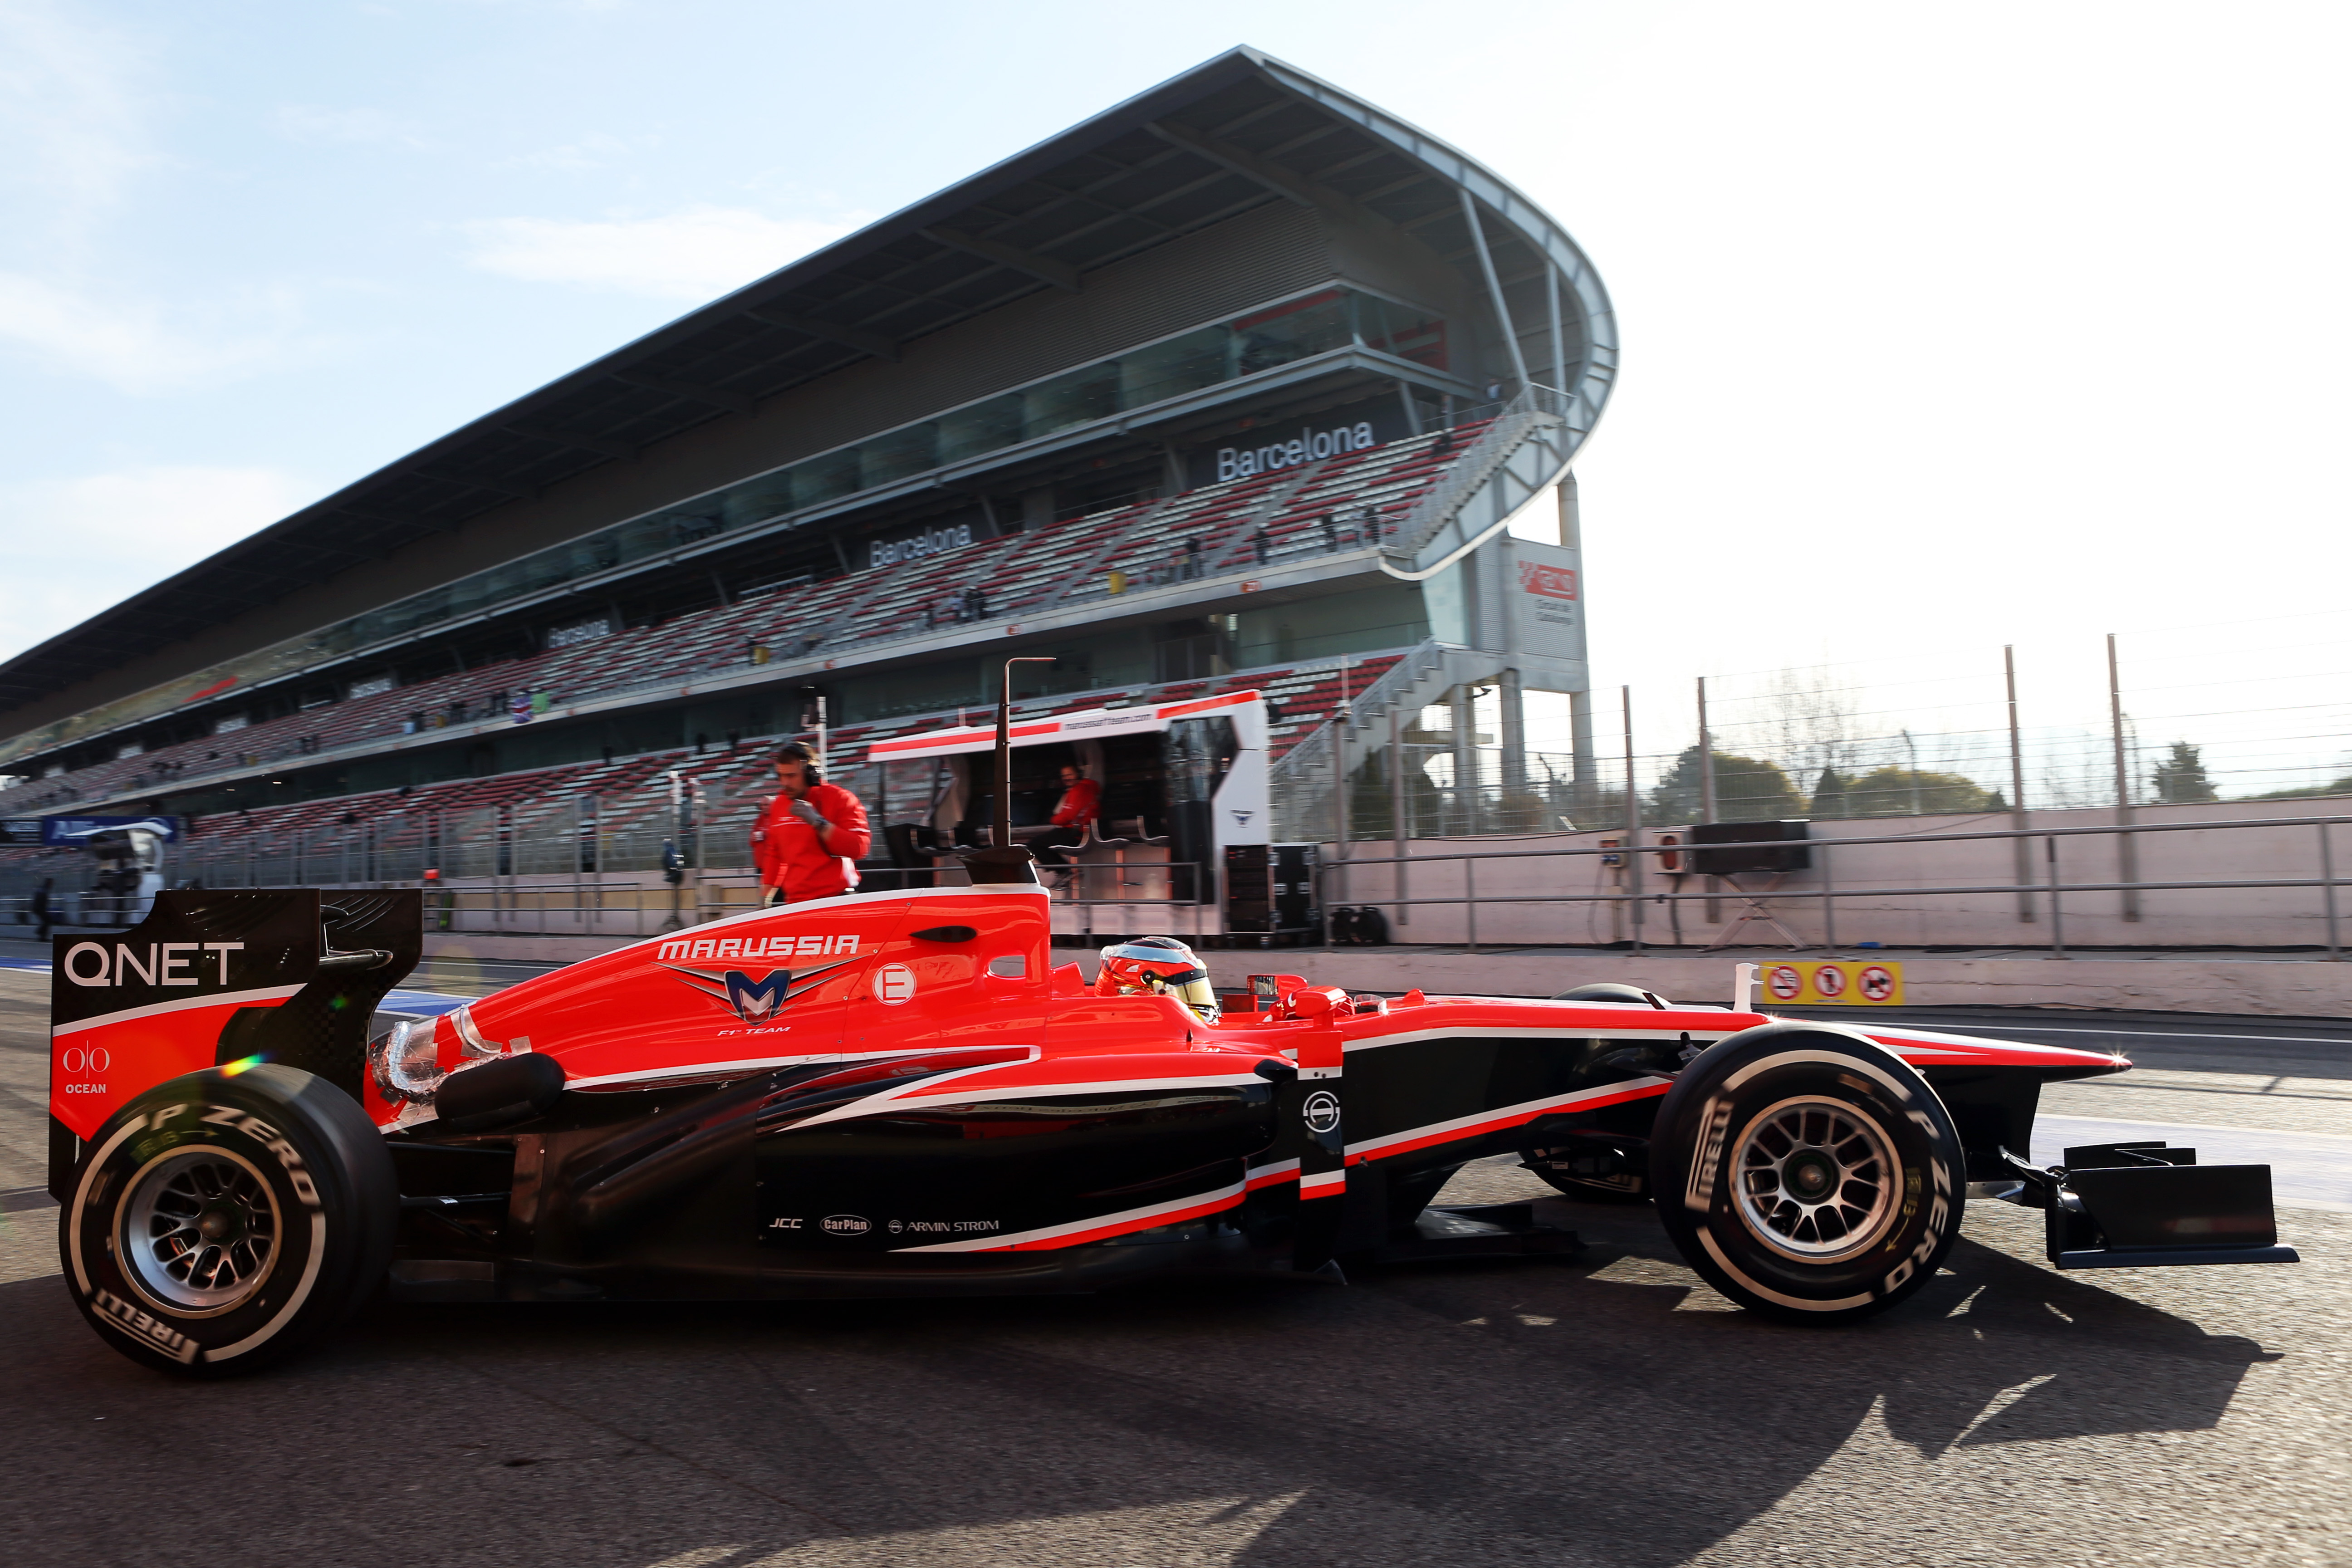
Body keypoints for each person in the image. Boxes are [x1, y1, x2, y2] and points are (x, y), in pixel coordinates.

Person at [751, 742, 871, 905]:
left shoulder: (841, 798)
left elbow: (858, 849)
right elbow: (774, 853)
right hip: (794, 903)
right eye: (781, 776)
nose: (785, 783)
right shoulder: (780, 804)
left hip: (837, 900)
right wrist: (765, 897)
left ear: (810, 774)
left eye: (791, 776)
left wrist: (818, 822)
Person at [1030, 763, 1100, 877]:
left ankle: (1064, 872)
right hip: (1081, 832)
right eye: (1064, 776)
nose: (1067, 778)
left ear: (1078, 774)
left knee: (1035, 844)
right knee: (1040, 842)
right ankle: (1064, 871)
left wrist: (1054, 819)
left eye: (1070, 775)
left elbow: (1068, 816)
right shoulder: (1085, 788)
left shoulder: (1080, 790)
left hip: (1076, 834)